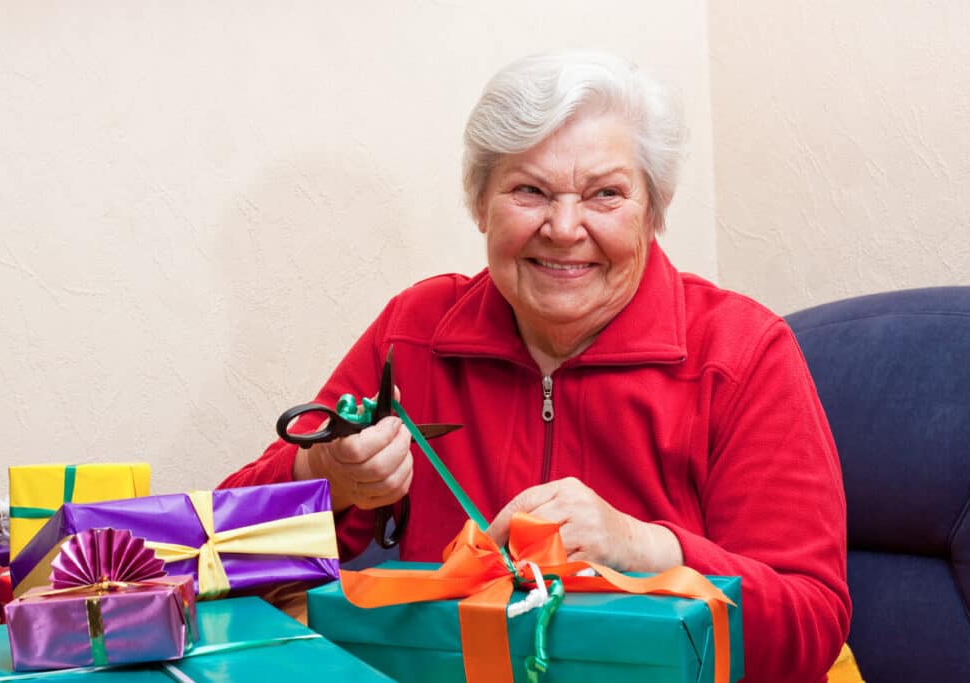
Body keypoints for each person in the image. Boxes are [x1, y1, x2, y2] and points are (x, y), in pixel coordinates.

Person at [220, 50, 851, 682]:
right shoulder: (414, 333)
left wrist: (644, 548)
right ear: (481, 206)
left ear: (652, 214)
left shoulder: (741, 352)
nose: (564, 227)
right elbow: (211, 556)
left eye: (606, 194)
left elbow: (811, 628)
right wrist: (322, 475)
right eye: (530, 191)